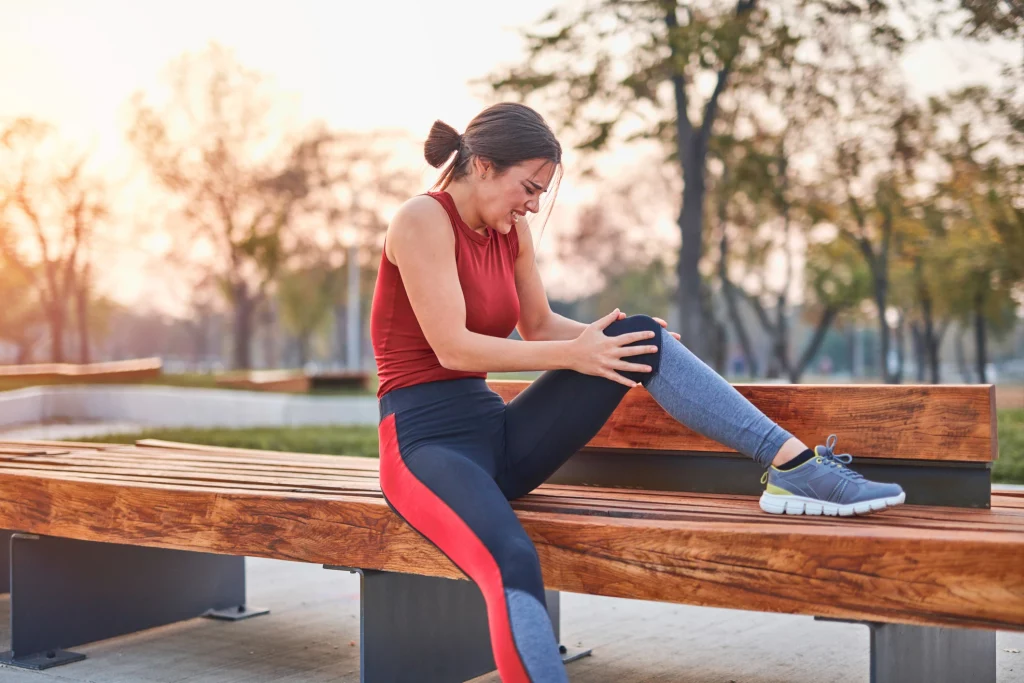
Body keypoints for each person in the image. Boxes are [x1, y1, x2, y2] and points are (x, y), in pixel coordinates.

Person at [370, 102, 905, 683]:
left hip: (498, 438)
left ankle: (796, 468)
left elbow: (540, 326)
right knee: (514, 559)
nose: (533, 205)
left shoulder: (510, 232)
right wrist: (580, 354)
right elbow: (454, 349)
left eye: (541, 193)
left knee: (641, 334)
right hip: (426, 450)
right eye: (528, 188)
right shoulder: (421, 219)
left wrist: (621, 341)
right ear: (481, 166)